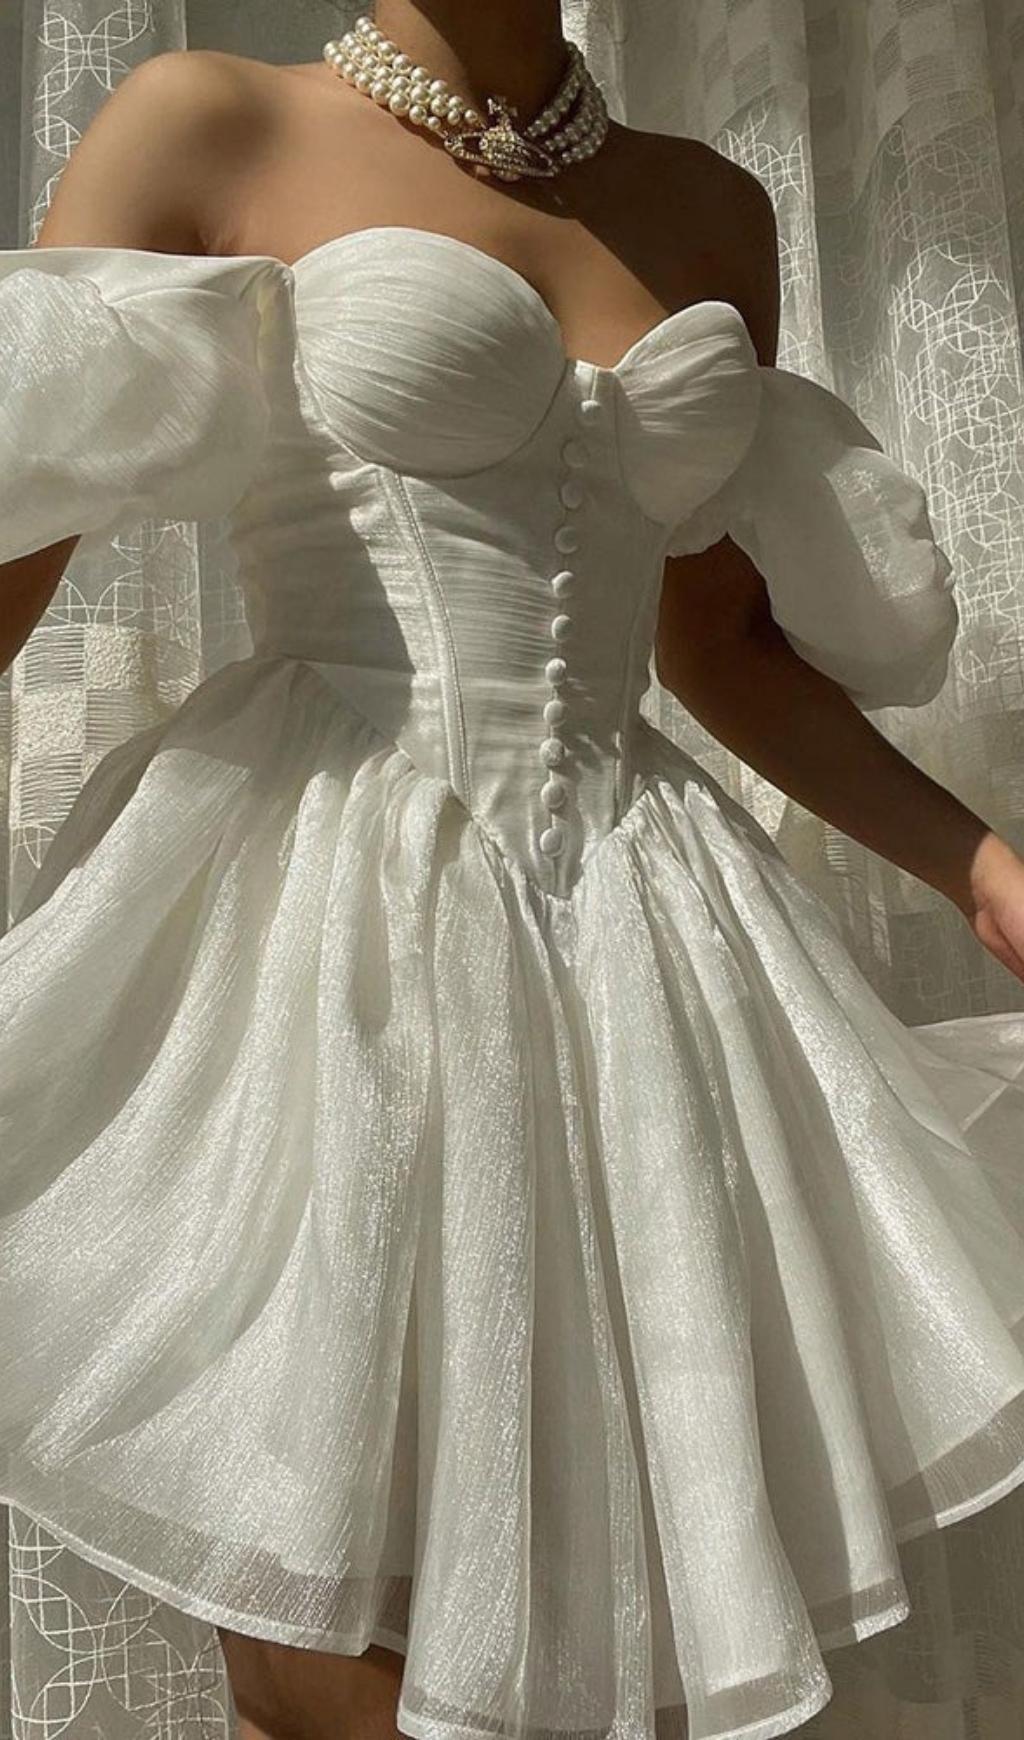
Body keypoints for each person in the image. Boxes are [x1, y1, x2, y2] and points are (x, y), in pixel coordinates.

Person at [2, 4, 1024, 1739]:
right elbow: (13, 543)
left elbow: (720, 647)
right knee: (310, 1619)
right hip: (319, 935)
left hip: (634, 943)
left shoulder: (707, 210)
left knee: (583, 1597)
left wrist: (978, 860)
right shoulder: (209, 122)